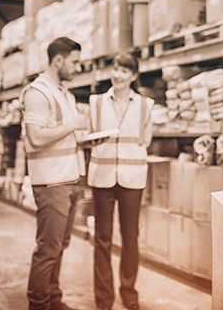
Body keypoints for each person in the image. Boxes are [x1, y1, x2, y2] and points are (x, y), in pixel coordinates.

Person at [21, 37, 88, 310]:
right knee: (48, 248)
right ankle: (38, 304)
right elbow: (36, 137)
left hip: (69, 178)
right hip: (51, 183)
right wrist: (74, 125)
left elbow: (65, 136)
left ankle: (53, 299)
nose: (78, 67)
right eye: (74, 62)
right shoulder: (38, 93)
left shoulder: (64, 93)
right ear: (58, 61)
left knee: (59, 245)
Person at [87, 53, 154, 310]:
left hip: (132, 177)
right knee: (102, 238)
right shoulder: (95, 103)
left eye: (125, 70)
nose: (118, 74)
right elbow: (86, 134)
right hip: (102, 177)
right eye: (115, 69)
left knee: (130, 237)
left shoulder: (146, 105)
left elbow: (145, 140)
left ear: (134, 76)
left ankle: (129, 292)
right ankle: (103, 299)